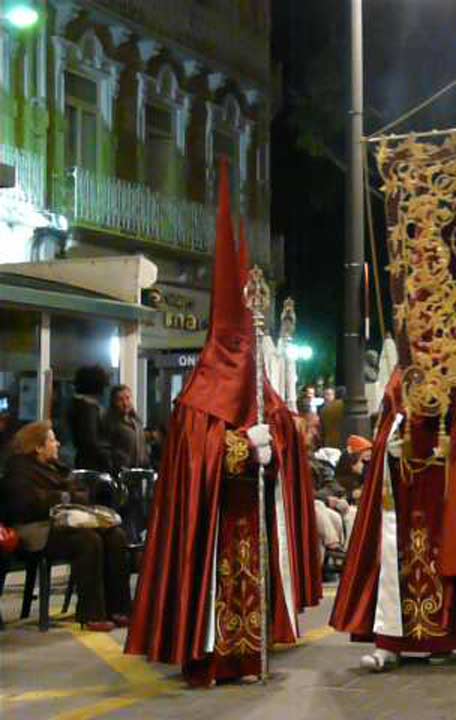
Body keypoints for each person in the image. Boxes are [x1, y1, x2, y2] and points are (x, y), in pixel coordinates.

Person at [124, 164, 321, 687]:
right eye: (234, 348)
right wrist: (236, 447)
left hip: (251, 514)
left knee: (251, 582)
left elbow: (286, 434)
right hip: (213, 522)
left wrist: (275, 441)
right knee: (216, 584)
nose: (242, 356)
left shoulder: (261, 382)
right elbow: (195, 455)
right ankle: (207, 653)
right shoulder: (197, 399)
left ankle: (249, 651)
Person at [0, 421, 131, 631]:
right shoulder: (19, 471)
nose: (58, 444)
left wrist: (66, 498)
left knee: (116, 536)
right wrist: (62, 497)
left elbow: (80, 494)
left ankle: (119, 608)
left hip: (65, 524)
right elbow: (26, 505)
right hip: (37, 530)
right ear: (38, 447)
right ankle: (92, 613)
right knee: (88, 541)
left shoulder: (56, 467)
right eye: (52, 440)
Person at [68, 366, 112, 472]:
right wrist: (107, 458)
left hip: (85, 460)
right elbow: (91, 440)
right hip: (92, 464)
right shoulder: (87, 408)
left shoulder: (78, 405)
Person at [103, 385, 150, 472]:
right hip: (120, 472)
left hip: (140, 471)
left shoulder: (136, 421)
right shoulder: (110, 423)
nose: (125, 403)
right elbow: (106, 450)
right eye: (120, 400)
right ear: (113, 402)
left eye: (127, 398)